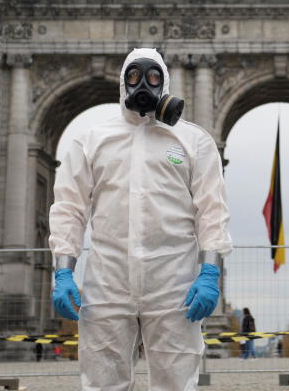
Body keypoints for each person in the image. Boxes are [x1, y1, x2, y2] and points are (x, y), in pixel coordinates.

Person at [49, 48, 233, 391]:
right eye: (134, 76)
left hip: (175, 282)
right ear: (122, 81)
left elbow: (212, 210)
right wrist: (63, 269)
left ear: (165, 82)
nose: (143, 85)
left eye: (152, 77)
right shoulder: (91, 141)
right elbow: (69, 208)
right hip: (107, 281)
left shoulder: (194, 140)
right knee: (103, 382)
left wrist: (210, 271)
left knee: (176, 383)